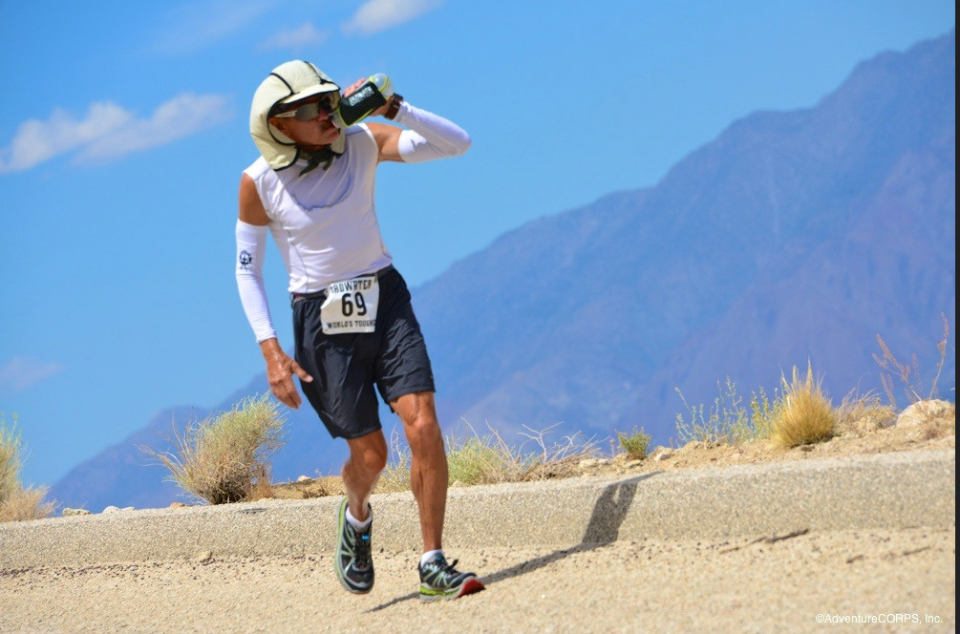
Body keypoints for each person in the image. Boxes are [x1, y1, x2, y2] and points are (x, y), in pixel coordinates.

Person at [235, 60, 484, 602]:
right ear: (280, 125)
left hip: (385, 297)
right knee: (372, 457)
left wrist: (397, 108)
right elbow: (247, 270)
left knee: (423, 424)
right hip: (321, 324)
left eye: (328, 100)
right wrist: (272, 351)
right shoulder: (258, 183)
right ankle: (356, 517)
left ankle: (432, 562)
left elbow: (457, 143)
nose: (327, 113)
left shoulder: (363, 140)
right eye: (311, 109)